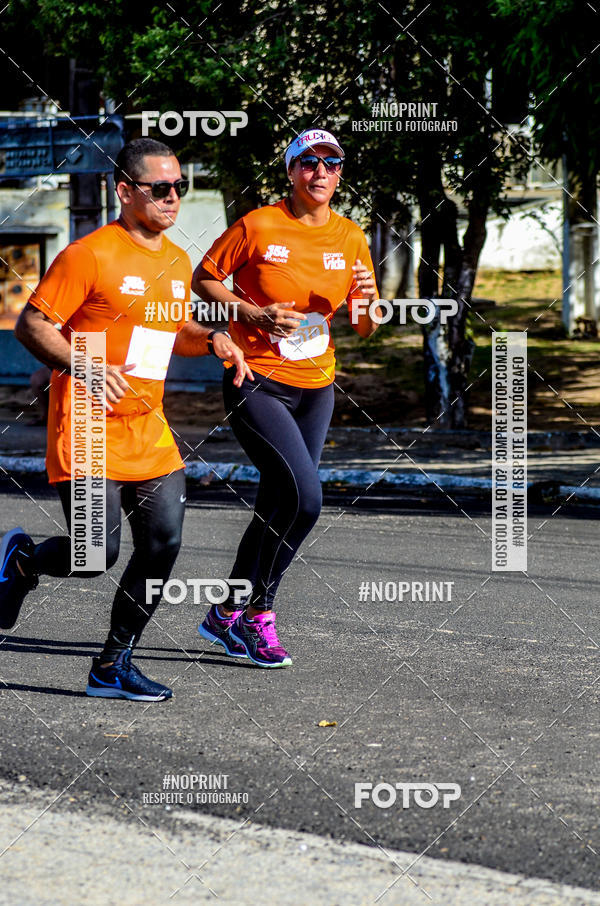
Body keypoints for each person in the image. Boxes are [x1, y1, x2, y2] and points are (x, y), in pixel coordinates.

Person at [0, 137, 251, 701]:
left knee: (162, 543)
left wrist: (212, 339)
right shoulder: (89, 255)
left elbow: (170, 333)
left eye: (179, 187)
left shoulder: (175, 259)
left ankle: (113, 665)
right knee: (94, 556)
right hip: (88, 425)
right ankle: (21, 563)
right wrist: (84, 364)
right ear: (124, 191)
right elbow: (32, 327)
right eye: (159, 188)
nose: (172, 198)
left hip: (149, 426)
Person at [192, 127, 381, 668]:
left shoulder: (352, 237)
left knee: (280, 501)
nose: (320, 172)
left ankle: (224, 612)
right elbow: (203, 279)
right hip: (256, 382)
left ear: (341, 173)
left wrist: (368, 304)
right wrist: (252, 313)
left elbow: (364, 328)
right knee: (306, 499)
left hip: (317, 386)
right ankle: (258, 615)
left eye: (332, 163)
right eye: (308, 163)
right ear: (291, 170)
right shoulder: (259, 224)